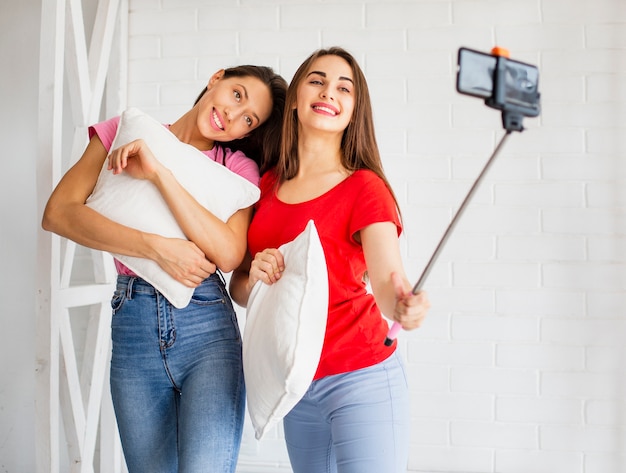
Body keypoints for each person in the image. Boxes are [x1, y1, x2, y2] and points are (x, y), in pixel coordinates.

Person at [42, 65, 287, 473]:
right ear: (216, 78)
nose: (232, 115)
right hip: (133, 325)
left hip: (207, 330)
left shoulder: (238, 168)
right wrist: (156, 248)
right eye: (238, 95)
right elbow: (59, 213)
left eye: (248, 120)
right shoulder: (125, 131)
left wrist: (158, 173)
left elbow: (228, 254)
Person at [229, 48, 430, 473]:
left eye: (344, 88)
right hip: (296, 383)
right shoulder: (264, 185)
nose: (329, 92)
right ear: (297, 99)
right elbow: (241, 287)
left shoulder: (365, 188)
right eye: (317, 80)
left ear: (354, 112)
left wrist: (403, 306)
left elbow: (387, 284)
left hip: (363, 377)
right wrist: (256, 277)